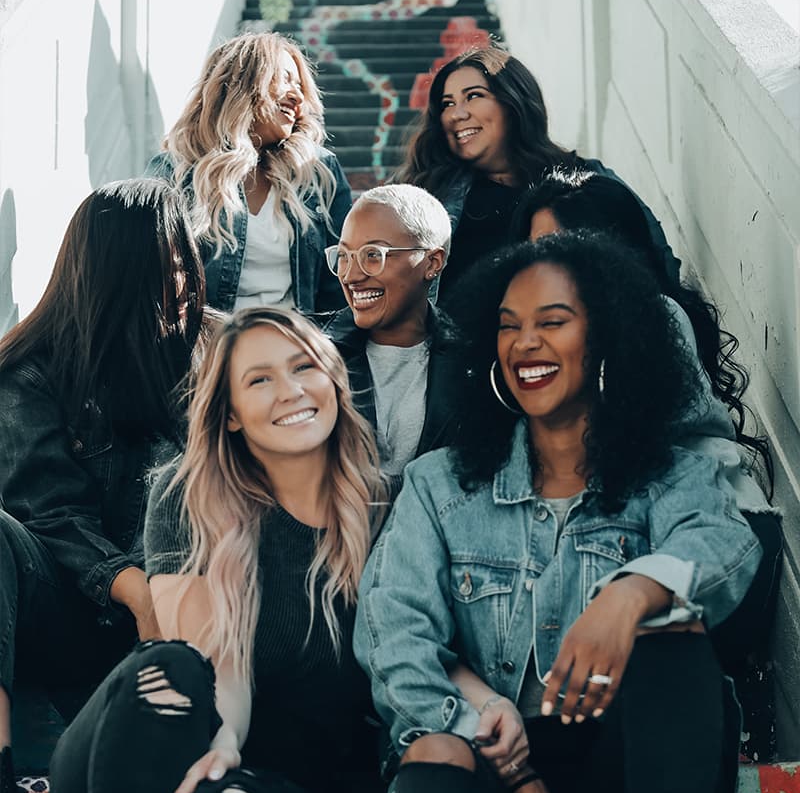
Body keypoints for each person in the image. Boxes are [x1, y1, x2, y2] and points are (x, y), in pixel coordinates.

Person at [353, 233, 762, 793]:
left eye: (553, 320)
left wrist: (632, 592)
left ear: (606, 335)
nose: (526, 342)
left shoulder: (665, 478)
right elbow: (393, 640)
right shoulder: (442, 486)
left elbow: (726, 547)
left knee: (674, 632)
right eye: (508, 325)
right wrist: (519, 778)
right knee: (432, 751)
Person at [48, 308, 386, 793]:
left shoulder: (390, 510)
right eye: (259, 380)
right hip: (143, 778)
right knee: (167, 665)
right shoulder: (188, 496)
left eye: (303, 367)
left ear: (334, 381)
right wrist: (224, 741)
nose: (289, 391)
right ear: (229, 413)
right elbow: (211, 662)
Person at [0, 178, 206, 793]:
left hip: (200, 607)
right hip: (75, 614)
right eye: (167, 263)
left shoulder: (210, 354)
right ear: (117, 272)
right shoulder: (30, 373)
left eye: (186, 259)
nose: (185, 279)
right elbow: (48, 513)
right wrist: (136, 588)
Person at [512, 168, 782, 707]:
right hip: (642, 540)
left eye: (557, 248)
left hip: (716, 536)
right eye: (532, 251)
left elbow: (613, 446)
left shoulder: (652, 315)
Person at [396, 46, 679, 301]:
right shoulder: (427, 195)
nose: (457, 114)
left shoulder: (588, 180)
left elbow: (653, 260)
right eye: (447, 104)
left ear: (513, 101)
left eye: (473, 96)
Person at [147, 32, 351, 316]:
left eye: (300, 85)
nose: (298, 96)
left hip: (294, 347)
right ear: (242, 84)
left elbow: (339, 286)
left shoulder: (317, 172)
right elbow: (153, 281)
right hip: (210, 351)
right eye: (285, 79)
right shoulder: (175, 171)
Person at [324, 184, 456, 481]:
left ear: (432, 263)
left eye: (373, 255)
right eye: (344, 256)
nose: (351, 276)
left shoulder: (471, 363)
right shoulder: (312, 352)